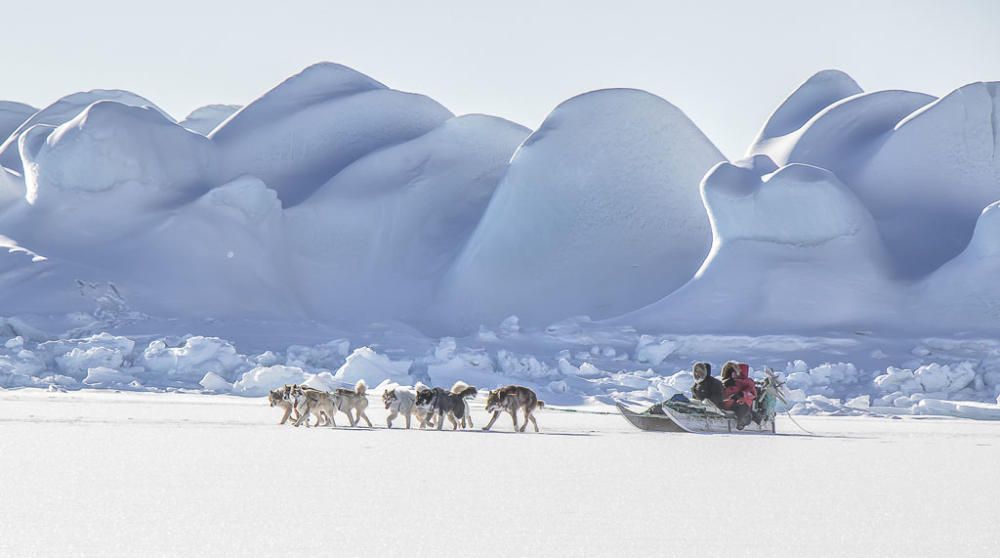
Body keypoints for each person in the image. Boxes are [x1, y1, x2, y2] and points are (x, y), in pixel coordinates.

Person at [720, 361, 757, 430]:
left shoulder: (747, 382)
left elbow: (752, 393)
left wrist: (742, 394)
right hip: (728, 401)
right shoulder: (728, 381)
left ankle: (741, 421)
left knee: (742, 407)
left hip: (740, 402)